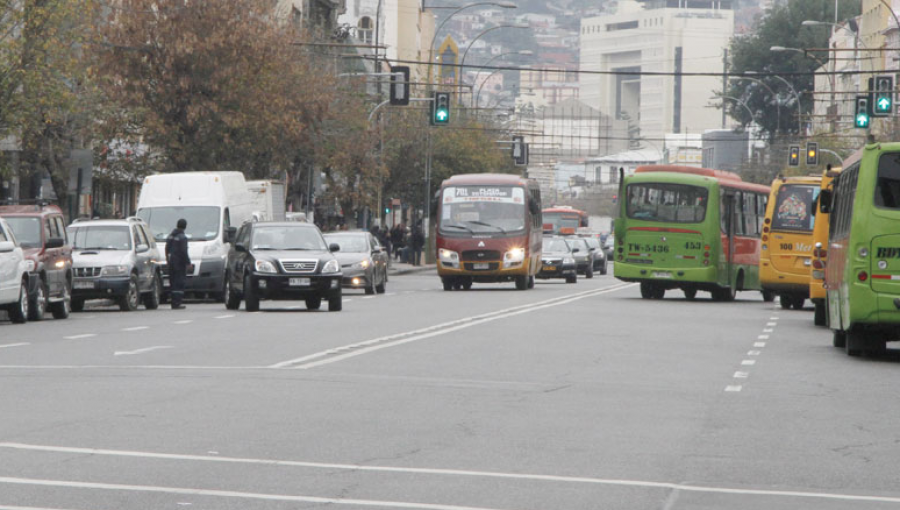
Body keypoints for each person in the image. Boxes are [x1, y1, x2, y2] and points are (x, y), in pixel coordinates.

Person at [165, 218, 191, 310]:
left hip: (172, 261)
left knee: (173, 282)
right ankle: (177, 303)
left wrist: (167, 260)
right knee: (179, 283)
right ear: (185, 226)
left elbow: (167, 248)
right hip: (180, 263)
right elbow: (184, 251)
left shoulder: (171, 236)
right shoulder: (182, 237)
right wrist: (188, 262)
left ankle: (173, 302)